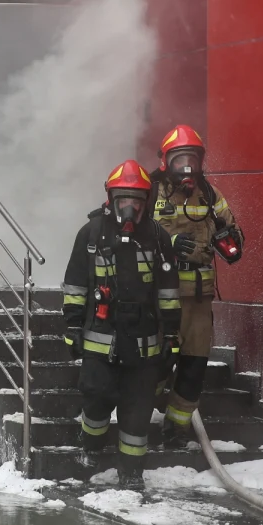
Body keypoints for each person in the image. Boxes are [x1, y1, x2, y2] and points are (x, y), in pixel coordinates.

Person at [61, 160, 181, 489]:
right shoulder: (91, 233)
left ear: (146, 201)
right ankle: (91, 447)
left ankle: (131, 472)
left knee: (137, 413)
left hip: (142, 345)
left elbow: (169, 293)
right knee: (96, 399)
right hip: (101, 339)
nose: (130, 207)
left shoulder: (157, 237)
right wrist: (73, 327)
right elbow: (75, 285)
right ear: (111, 199)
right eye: (123, 200)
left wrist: (171, 337)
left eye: (136, 201)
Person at [150, 125, 245, 449]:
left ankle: (176, 428)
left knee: (193, 367)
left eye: (192, 159)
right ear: (166, 162)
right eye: (180, 160)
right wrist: (168, 242)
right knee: (158, 362)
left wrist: (230, 241)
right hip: (161, 297)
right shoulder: (151, 192)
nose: (187, 167)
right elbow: (133, 235)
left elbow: (232, 230)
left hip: (199, 301)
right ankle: (142, 411)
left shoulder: (210, 194)